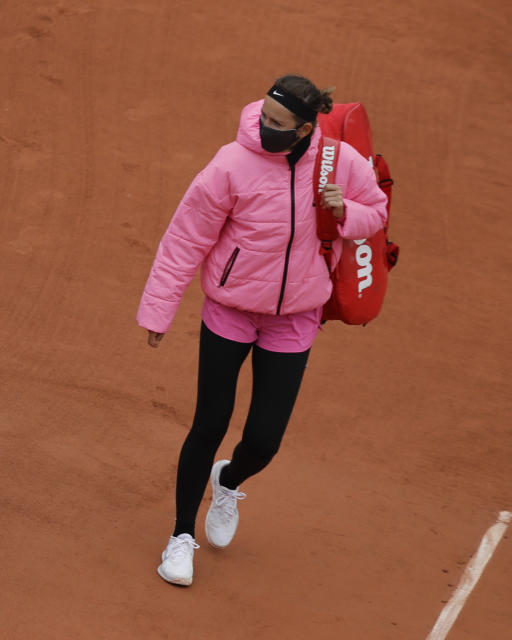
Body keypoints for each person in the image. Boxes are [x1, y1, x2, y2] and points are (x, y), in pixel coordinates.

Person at [137, 75, 387, 586]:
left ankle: (227, 481)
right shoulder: (232, 162)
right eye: (264, 119)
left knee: (265, 440)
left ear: (304, 129)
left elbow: (376, 213)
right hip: (230, 310)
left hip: (296, 317)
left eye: (278, 125)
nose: (263, 128)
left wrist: (344, 212)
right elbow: (186, 237)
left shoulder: (339, 162)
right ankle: (181, 538)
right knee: (209, 423)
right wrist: (158, 311)